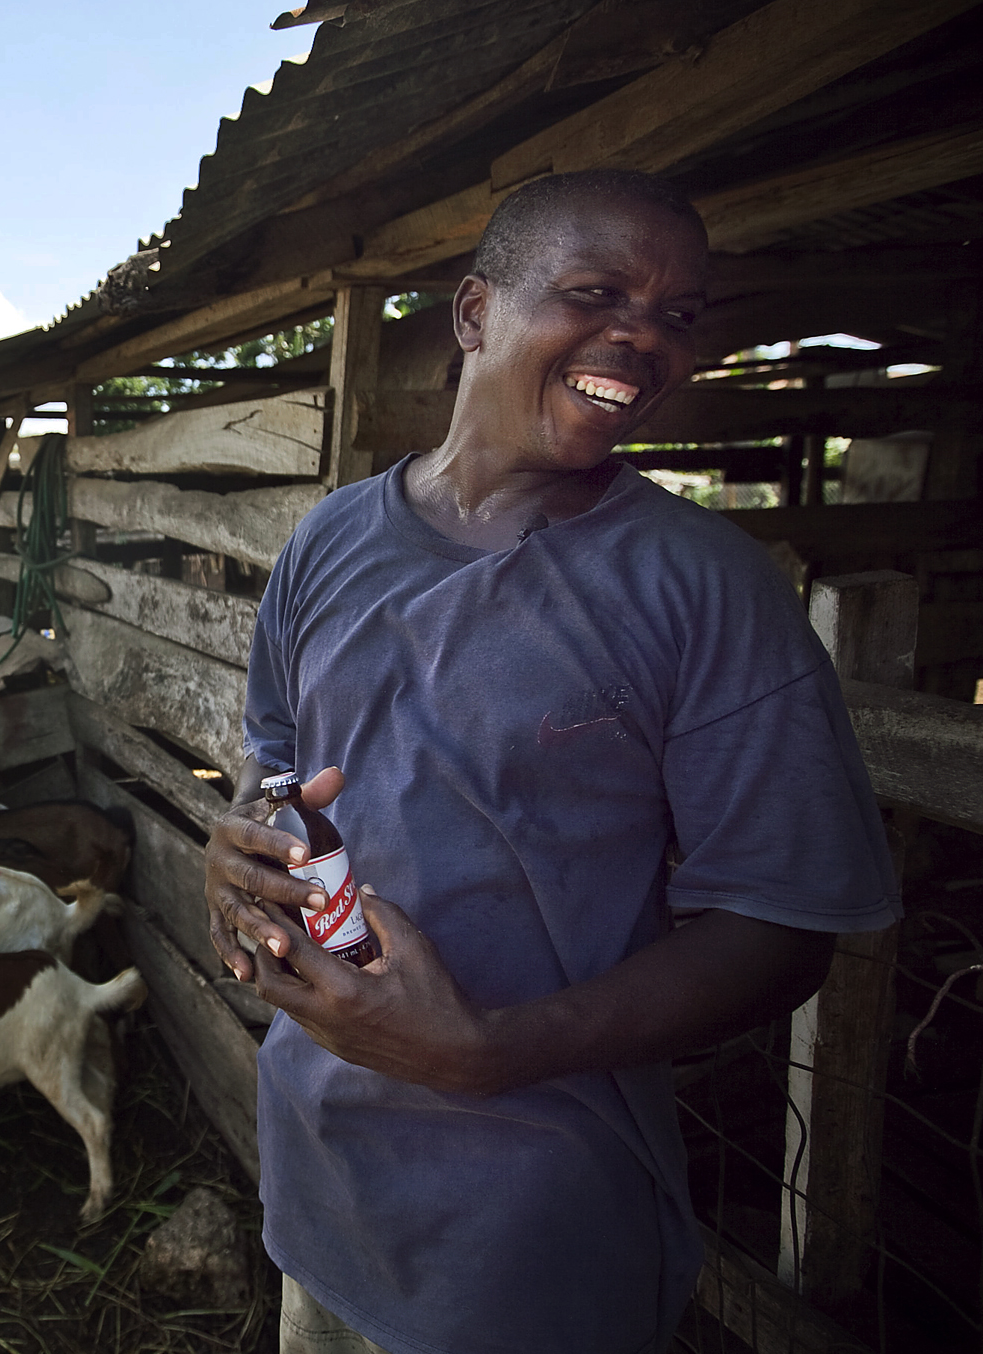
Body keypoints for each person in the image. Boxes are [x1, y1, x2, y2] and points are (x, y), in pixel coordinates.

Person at [203, 170, 897, 1354]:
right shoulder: (329, 540)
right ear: (475, 313)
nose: (641, 335)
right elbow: (275, 760)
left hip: (531, 1231)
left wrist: (489, 1052)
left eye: (678, 315)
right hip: (318, 1178)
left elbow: (780, 925)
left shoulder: (702, 587)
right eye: (595, 291)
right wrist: (232, 846)